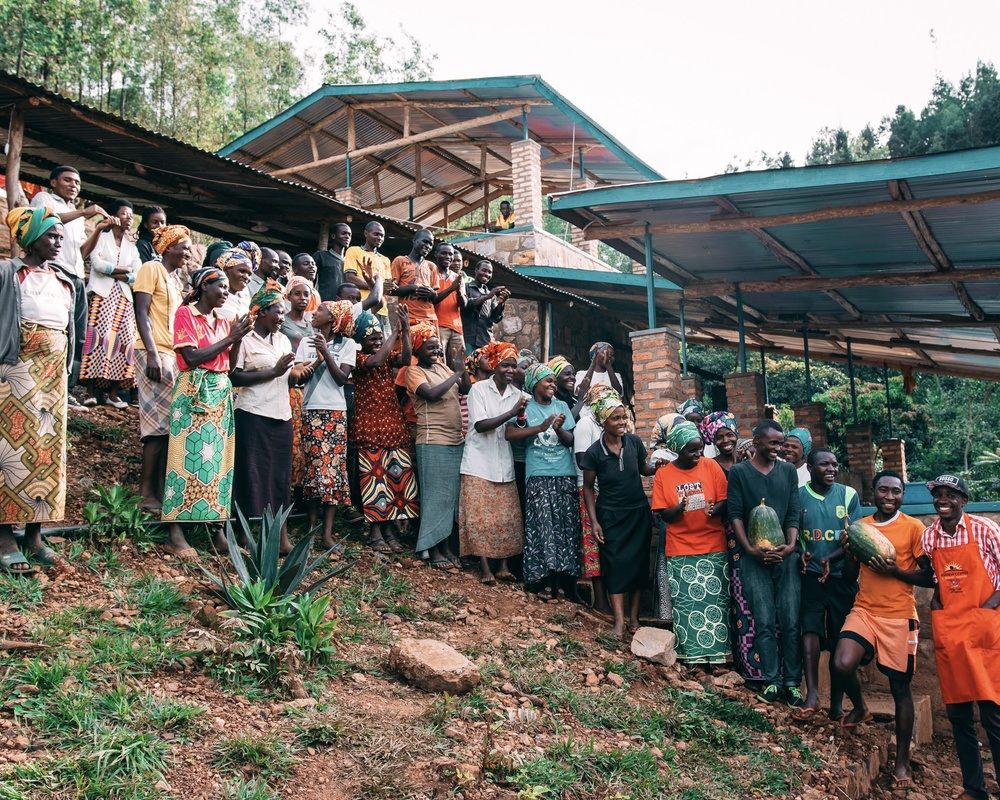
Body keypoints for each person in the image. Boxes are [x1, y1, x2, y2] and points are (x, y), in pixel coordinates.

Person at [833, 470, 932, 788]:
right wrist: (849, 554)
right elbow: (849, 578)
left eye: (896, 491)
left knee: (900, 690)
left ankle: (901, 761)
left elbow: (928, 577)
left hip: (899, 616)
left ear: (902, 495)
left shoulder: (914, 528)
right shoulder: (861, 528)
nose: (889, 496)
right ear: (872, 494)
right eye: (883, 490)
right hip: (865, 610)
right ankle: (860, 707)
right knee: (841, 663)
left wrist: (898, 571)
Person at [0, 208, 76, 574]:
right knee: (11, 451)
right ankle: (4, 537)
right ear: (31, 238)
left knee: (46, 454)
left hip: (53, 381)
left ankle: (34, 535)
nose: (58, 242)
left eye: (61, 236)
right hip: (15, 376)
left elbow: (69, 331)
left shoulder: (66, 280)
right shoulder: (8, 274)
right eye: (51, 236)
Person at [161, 267, 251, 556]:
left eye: (227, 288)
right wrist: (229, 338)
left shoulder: (224, 320)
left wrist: (236, 339)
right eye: (221, 287)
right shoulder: (186, 314)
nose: (225, 292)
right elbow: (190, 356)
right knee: (185, 459)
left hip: (220, 390)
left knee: (218, 464)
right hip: (193, 390)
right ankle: (175, 533)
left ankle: (215, 530)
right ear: (204, 287)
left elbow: (231, 363)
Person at [921, 474, 1000, 800]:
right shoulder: (930, 538)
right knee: (958, 714)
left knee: (993, 713)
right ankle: (974, 789)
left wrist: (991, 604)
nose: (943, 499)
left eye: (950, 495)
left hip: (984, 630)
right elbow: (932, 575)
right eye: (938, 494)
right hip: (951, 631)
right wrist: (939, 598)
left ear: (963, 501)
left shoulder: (985, 529)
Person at [231, 282, 313, 552]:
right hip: (252, 413)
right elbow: (235, 376)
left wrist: (298, 373)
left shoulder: (282, 340)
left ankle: (280, 537)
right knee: (250, 473)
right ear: (262, 311)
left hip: (281, 415)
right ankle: (244, 535)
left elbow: (285, 376)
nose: (282, 316)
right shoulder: (244, 339)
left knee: (280, 478)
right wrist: (274, 372)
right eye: (278, 312)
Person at [726, 419, 803, 705]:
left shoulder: (787, 471)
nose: (779, 448)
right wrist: (749, 549)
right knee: (764, 620)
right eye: (773, 443)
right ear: (757, 442)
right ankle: (771, 679)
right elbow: (734, 513)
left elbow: (793, 511)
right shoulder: (739, 473)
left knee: (790, 620)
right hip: (754, 559)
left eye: (781, 443)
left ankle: (793, 682)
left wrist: (791, 545)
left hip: (786, 557)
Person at [651, 421, 731, 664]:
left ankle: (719, 657)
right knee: (687, 605)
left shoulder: (711, 467)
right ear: (677, 450)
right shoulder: (664, 475)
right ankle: (691, 657)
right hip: (681, 549)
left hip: (713, 546)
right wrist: (680, 507)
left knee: (716, 604)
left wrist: (713, 509)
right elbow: (663, 514)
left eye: (700, 449)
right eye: (692, 451)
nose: (698, 455)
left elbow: (726, 501)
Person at [582, 395, 656, 639]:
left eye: (624, 417)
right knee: (614, 567)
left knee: (637, 565)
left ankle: (634, 618)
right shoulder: (594, 452)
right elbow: (588, 488)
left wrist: (660, 465)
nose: (623, 421)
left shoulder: (634, 443)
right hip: (611, 516)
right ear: (603, 421)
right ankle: (619, 621)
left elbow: (644, 469)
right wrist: (594, 522)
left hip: (637, 514)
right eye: (616, 418)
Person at [507, 363, 580, 600]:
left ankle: (562, 582)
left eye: (553, 381)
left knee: (564, 529)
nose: (552, 384)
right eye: (547, 381)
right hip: (538, 475)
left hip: (564, 475)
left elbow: (570, 441)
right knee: (542, 527)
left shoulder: (562, 406)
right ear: (534, 383)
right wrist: (539, 427)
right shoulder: (525, 407)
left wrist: (558, 429)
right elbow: (511, 435)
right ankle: (543, 580)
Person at [797, 447, 861, 717]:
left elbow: (854, 537)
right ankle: (811, 695)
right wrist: (803, 554)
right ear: (810, 468)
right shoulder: (799, 497)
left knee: (838, 638)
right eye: (824, 465)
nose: (831, 469)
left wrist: (831, 559)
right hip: (810, 575)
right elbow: (795, 534)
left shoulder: (848, 495)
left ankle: (836, 703)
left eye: (834, 465)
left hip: (839, 577)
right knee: (809, 632)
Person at [133, 225, 191, 512]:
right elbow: (141, 312)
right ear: (168, 247)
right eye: (184, 247)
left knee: (169, 423)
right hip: (152, 352)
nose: (188, 253)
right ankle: (145, 492)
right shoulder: (150, 269)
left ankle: (157, 489)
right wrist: (153, 354)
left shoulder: (174, 279)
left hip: (171, 354)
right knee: (156, 425)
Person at [702, 411, 762, 683]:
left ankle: (759, 666)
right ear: (710, 439)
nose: (726, 440)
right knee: (732, 599)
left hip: (754, 534)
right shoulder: (710, 465)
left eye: (729, 434)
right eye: (719, 436)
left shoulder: (752, 461)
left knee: (753, 598)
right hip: (723, 537)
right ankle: (736, 662)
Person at [351, 308, 418, 553]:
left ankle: (390, 530)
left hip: (392, 423)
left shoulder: (386, 354)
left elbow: (406, 359)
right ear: (360, 340)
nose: (378, 340)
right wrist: (396, 331)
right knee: (374, 480)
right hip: (369, 425)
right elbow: (377, 360)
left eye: (380, 336)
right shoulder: (358, 358)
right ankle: (375, 531)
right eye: (372, 337)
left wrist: (407, 331)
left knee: (395, 479)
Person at [459, 340, 526, 585]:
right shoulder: (478, 390)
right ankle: (485, 566)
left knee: (505, 517)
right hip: (478, 462)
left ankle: (503, 566)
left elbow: (518, 425)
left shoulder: (517, 395)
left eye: (513, 366)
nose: (510, 370)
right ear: (495, 365)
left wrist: (520, 416)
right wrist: (511, 412)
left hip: (503, 463)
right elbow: (481, 425)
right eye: (505, 365)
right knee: (480, 518)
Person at [405, 322, 469, 568]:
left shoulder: (443, 367)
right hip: (433, 440)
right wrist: (457, 372)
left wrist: (460, 371)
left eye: (438, 348)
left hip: (455, 439)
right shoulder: (414, 372)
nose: (436, 353)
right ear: (419, 349)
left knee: (451, 497)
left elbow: (465, 389)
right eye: (430, 348)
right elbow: (430, 395)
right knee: (435, 497)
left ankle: (446, 546)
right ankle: (431, 548)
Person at [295, 300, 358, 547]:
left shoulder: (348, 344)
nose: (314, 312)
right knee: (314, 470)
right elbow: (300, 376)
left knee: (332, 472)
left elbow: (342, 378)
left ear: (333, 319)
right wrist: (319, 356)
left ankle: (327, 533)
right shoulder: (305, 342)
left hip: (334, 413)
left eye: (320, 310)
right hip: (310, 410)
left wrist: (327, 352)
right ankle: (311, 528)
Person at [79, 198, 141, 409]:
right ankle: (90, 391)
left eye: (131, 215)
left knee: (125, 342)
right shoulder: (101, 238)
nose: (129, 218)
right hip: (102, 295)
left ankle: (113, 393)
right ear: (114, 216)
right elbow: (96, 265)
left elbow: (137, 274)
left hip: (123, 297)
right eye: (124, 214)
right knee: (96, 339)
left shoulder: (131, 248)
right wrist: (124, 270)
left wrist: (116, 271)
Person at [574, 384, 621, 615]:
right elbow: (583, 459)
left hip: (610, 492)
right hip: (590, 491)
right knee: (594, 545)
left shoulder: (610, 427)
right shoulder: (585, 424)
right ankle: (599, 600)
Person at [30, 165, 109, 280]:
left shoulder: (76, 214)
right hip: (53, 270)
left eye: (77, 183)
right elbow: (47, 220)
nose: (73, 185)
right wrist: (83, 212)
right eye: (67, 180)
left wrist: (99, 229)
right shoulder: (44, 198)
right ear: (53, 183)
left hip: (77, 275)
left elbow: (82, 252)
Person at [393, 230, 452, 329]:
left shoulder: (431, 266)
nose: (428, 246)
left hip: (429, 318)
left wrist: (432, 294)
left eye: (431, 244)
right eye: (425, 241)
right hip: (408, 317)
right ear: (414, 240)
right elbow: (390, 290)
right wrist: (412, 288)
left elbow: (435, 297)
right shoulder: (400, 261)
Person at [344, 222, 392, 330]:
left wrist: (390, 287)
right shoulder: (354, 250)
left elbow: (387, 286)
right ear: (366, 233)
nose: (380, 238)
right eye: (376, 234)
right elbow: (349, 277)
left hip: (382, 309)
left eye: (382, 236)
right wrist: (376, 286)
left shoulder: (385, 260)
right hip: (363, 306)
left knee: (382, 344)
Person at [461, 260, 507, 352]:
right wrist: (487, 296)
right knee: (467, 365)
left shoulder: (490, 294)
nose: (486, 274)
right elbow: (464, 305)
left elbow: (495, 318)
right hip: (468, 339)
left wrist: (501, 303)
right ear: (476, 270)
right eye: (484, 270)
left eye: (489, 272)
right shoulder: (465, 287)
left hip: (485, 340)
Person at [431, 242, 466, 361]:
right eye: (444, 253)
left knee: (459, 364)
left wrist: (459, 291)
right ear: (436, 254)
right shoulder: (431, 274)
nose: (448, 257)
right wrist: (451, 288)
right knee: (440, 362)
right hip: (438, 326)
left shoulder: (457, 277)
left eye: (450, 254)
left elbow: (464, 305)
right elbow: (432, 300)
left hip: (457, 328)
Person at [314, 222, 353, 301]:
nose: (347, 237)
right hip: (323, 305)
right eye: (344, 233)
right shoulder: (321, 256)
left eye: (349, 235)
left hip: (343, 307)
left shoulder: (350, 262)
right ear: (333, 236)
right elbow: (310, 281)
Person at [217, 246, 254, 321]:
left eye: (249, 274)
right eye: (242, 271)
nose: (246, 277)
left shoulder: (245, 296)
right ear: (226, 270)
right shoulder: (215, 295)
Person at [548, 355, 585, 420]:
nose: (573, 377)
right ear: (555, 377)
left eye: (573, 374)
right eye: (567, 374)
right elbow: (567, 423)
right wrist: (580, 401)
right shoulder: (551, 400)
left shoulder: (572, 400)